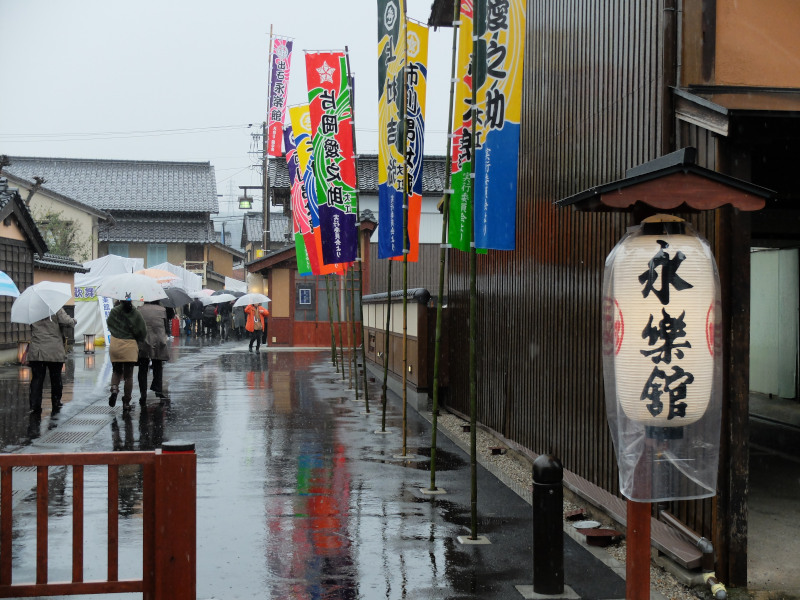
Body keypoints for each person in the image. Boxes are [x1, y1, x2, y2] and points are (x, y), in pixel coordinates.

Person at [28, 308, 76, 414]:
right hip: (54, 349)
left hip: (37, 350)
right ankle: (56, 402)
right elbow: (66, 321)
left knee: (37, 378)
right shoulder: (55, 307)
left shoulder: (32, 309)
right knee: (56, 377)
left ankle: (35, 405)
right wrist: (74, 321)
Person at [106, 298, 147, 412]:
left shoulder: (114, 311)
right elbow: (142, 331)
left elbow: (109, 324)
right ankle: (126, 403)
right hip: (130, 345)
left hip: (116, 344)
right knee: (128, 376)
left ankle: (114, 389)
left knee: (117, 371)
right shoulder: (136, 313)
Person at [137, 300, 170, 406]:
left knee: (143, 368)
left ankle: (143, 394)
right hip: (158, 341)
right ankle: (158, 390)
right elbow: (166, 327)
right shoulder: (162, 310)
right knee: (158, 366)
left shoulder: (139, 310)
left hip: (143, 340)